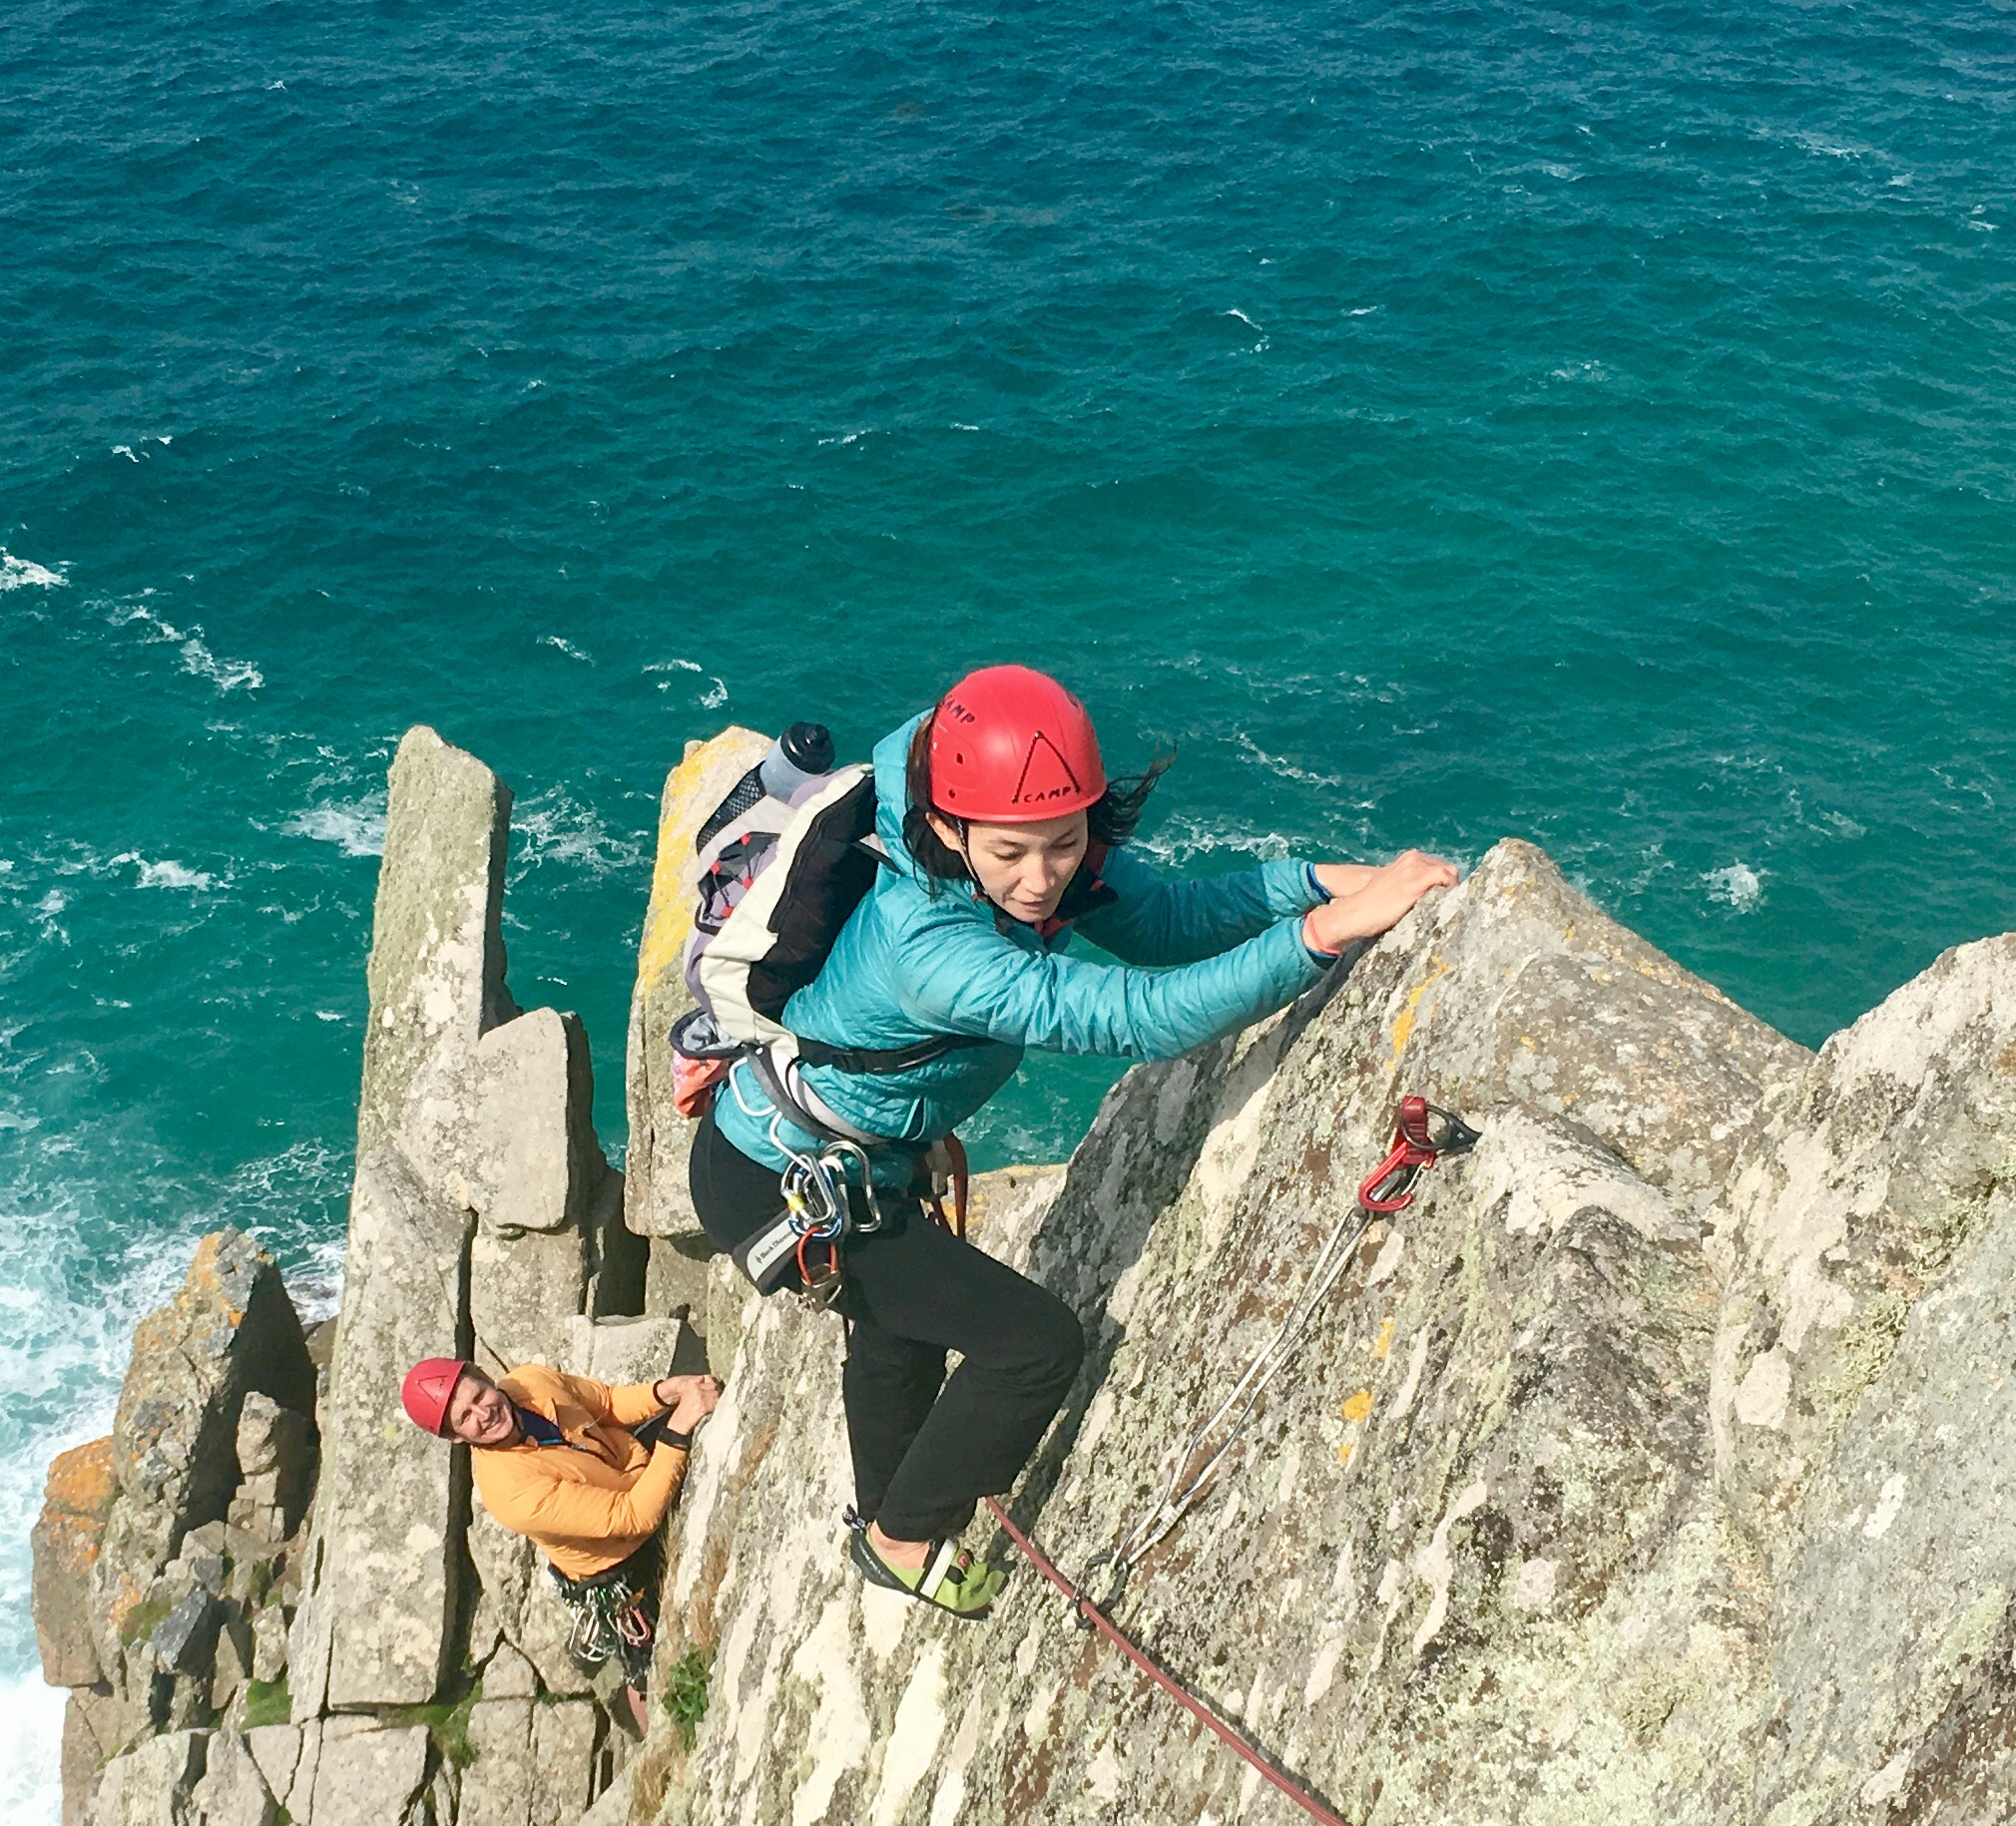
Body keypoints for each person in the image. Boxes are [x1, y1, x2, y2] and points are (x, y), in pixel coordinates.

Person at [692, 664, 1455, 1615]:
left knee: (904, 1335)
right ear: (945, 825)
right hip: (778, 1184)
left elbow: (1167, 923)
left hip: (837, 1161)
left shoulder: (1019, 864)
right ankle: (903, 1534)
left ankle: (886, 1523)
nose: (1042, 877)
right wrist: (1326, 933)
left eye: (1065, 842)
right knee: (1034, 1347)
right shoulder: (930, 945)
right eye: (1012, 852)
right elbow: (1143, 1017)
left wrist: (1335, 884)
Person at [398, 1353, 725, 1679]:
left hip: (636, 1468)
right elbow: (633, 1516)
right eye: (465, 1416)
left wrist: (671, 1390)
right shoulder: (509, 1492)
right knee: (664, 1672)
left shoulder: (529, 1382)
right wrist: (679, 1427)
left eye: (480, 1395)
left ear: (485, 1375)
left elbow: (607, 1403)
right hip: (626, 1556)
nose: (485, 1413)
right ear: (456, 1437)